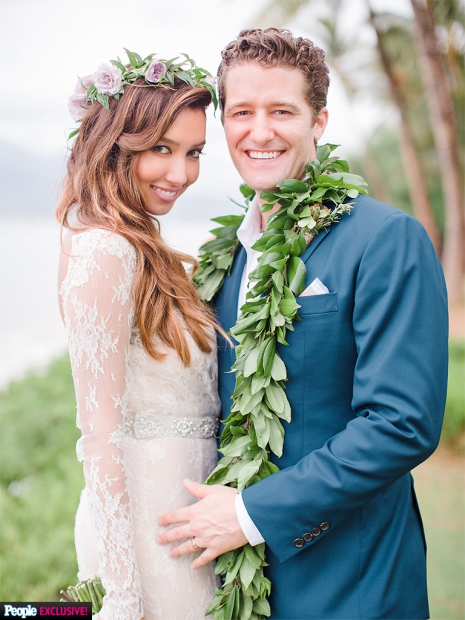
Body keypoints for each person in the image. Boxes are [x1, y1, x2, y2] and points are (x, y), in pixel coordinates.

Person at [157, 29, 449, 619]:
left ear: (319, 121)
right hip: (239, 586)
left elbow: (401, 424)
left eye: (282, 111)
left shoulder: (386, 239)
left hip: (353, 586)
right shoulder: (225, 260)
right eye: (242, 112)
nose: (260, 132)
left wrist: (249, 515)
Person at [56, 52, 222, 619]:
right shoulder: (104, 249)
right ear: (116, 145)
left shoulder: (142, 249)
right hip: (148, 537)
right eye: (162, 148)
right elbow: (98, 434)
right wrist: (124, 593)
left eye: (194, 153)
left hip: (189, 521)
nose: (181, 174)